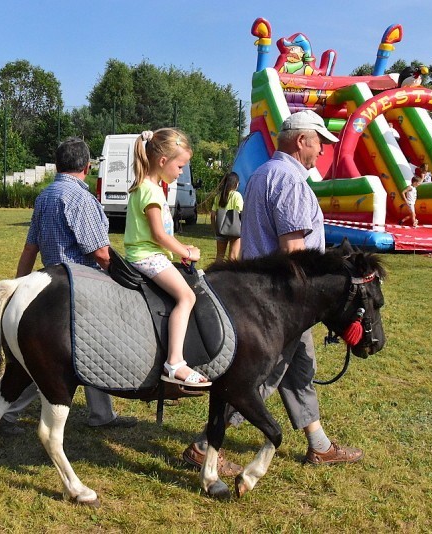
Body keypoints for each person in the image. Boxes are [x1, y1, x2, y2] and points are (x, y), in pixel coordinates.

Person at [183, 109, 364, 469]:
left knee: (299, 370)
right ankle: (204, 446)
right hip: (284, 301)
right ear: (302, 141)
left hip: (266, 296)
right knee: (258, 378)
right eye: (319, 144)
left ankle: (319, 443)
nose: (323, 152)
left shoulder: (265, 173)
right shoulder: (291, 181)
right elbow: (294, 252)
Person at [0, 137, 138, 435]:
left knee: (83, 351)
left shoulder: (45, 196)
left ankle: (101, 413)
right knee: (67, 357)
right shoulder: (81, 199)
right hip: (80, 289)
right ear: (86, 167)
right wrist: (125, 277)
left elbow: (30, 248)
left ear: (58, 164)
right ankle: (7, 413)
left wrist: (18, 285)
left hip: (49, 283)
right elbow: (100, 252)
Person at [124, 128, 210, 387]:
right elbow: (159, 235)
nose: (182, 172)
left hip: (149, 252)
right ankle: (174, 363)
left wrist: (180, 246)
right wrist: (186, 252)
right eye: (180, 166)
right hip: (147, 256)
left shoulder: (148, 187)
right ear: (163, 161)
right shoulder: (150, 192)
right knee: (187, 296)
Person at [211, 172, 244, 262]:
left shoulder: (218, 196)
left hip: (221, 229)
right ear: (236, 183)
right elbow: (240, 212)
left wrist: (215, 229)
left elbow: (213, 215)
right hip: (235, 230)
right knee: (232, 257)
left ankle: (216, 274)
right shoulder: (237, 195)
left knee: (219, 256)